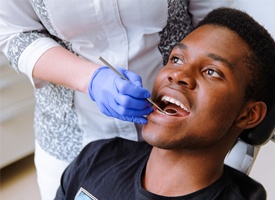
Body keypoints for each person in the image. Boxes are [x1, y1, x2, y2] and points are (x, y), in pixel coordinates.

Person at [0, 0, 236, 199]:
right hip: (75, 133)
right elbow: (13, 33)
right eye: (175, 62)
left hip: (184, 147)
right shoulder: (84, 165)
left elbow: (216, 24)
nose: (178, 75)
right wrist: (91, 79)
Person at [54, 7, 275, 200]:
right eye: (177, 59)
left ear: (249, 115)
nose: (179, 74)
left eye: (212, 72)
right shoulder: (97, 158)